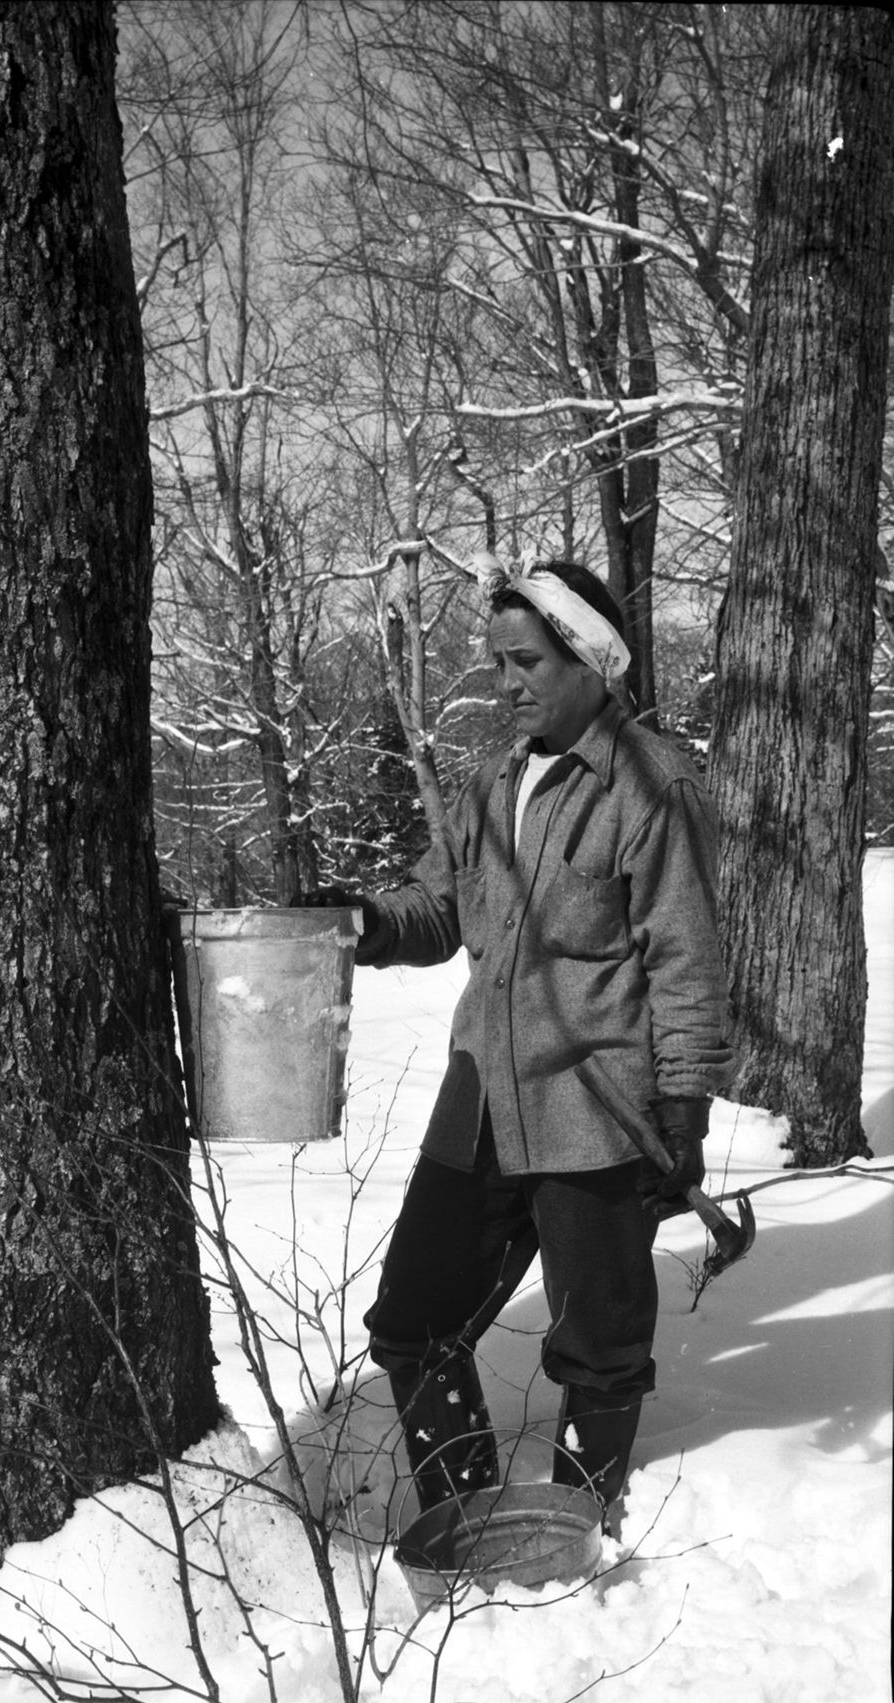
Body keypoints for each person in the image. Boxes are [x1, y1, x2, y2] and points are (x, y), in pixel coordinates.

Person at [311, 549, 734, 1521]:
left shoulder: (648, 784)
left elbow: (684, 959)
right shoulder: (492, 783)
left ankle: (576, 1518)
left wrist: (682, 1107)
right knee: (413, 1320)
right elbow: (438, 905)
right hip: (481, 1098)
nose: (506, 683)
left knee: (600, 1339)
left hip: (598, 1106)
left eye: (526, 663)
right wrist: (368, 923)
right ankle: (460, 1514)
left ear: (590, 661)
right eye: (497, 661)